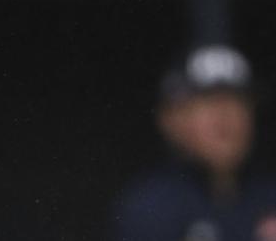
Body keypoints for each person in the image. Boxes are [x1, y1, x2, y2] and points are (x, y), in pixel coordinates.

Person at [111, 44, 276, 241]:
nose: (225, 117)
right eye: (208, 103)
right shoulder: (151, 210)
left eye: (237, 102)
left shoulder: (268, 197)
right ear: (170, 119)